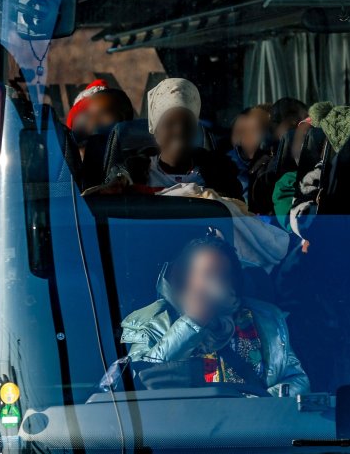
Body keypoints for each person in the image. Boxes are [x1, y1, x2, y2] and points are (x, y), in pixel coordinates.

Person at [119, 236, 310, 397]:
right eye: (208, 275)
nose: (216, 284)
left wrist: (254, 406)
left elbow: (297, 380)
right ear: (184, 277)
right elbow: (139, 384)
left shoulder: (264, 319)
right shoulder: (150, 323)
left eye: (224, 276)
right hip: (187, 433)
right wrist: (192, 323)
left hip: (255, 431)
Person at [144, 78, 242, 198]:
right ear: (156, 130)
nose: (179, 131)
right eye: (169, 124)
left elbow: (236, 211)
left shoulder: (221, 175)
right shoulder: (136, 174)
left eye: (187, 124)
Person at [226, 106, 272, 201]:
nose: (247, 136)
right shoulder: (224, 166)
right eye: (244, 131)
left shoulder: (273, 163)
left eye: (254, 131)